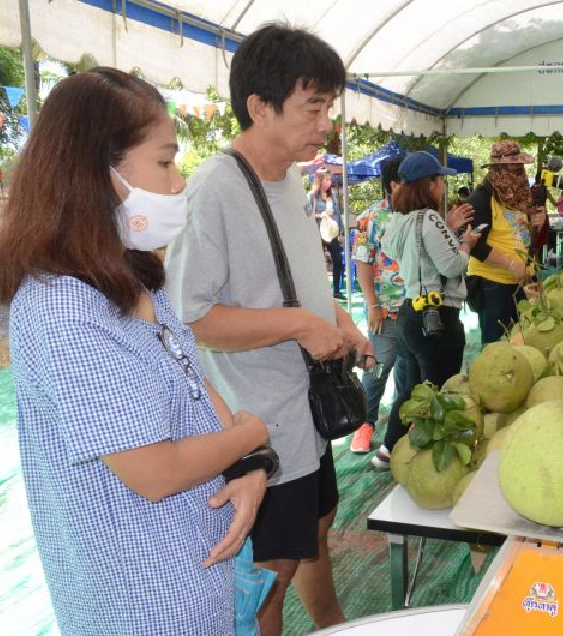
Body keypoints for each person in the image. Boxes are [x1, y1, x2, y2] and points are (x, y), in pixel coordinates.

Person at [0, 68, 270, 635]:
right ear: (99, 173)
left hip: (198, 577)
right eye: (165, 162)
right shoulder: (61, 309)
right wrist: (250, 436)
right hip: (139, 603)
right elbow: (154, 471)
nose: (178, 184)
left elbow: (193, 378)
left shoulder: (134, 279)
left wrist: (248, 467)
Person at [165, 25, 371, 635]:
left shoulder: (289, 182)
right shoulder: (215, 191)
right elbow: (191, 319)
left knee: (313, 535)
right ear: (260, 106)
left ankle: (331, 620)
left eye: (328, 108)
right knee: (267, 586)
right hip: (259, 430)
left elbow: (296, 282)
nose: (324, 125)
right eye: (313, 107)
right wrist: (301, 325)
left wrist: (338, 320)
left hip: (301, 416)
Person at [373, 152, 479, 469]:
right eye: (440, 179)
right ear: (429, 184)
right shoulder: (430, 219)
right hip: (436, 318)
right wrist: (467, 245)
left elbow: (404, 251)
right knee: (440, 390)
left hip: (409, 313)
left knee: (410, 389)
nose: (444, 185)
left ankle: (388, 450)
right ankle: (435, 463)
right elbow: (451, 265)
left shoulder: (399, 221)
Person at [350, 158, 406, 455]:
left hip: (418, 307)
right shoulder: (370, 218)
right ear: (395, 184)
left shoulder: (422, 214)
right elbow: (362, 264)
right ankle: (365, 423)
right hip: (384, 310)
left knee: (408, 370)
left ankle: (401, 424)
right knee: (376, 367)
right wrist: (372, 304)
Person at [466, 141, 536, 345]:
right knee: (498, 346)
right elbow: (475, 246)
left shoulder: (517, 198)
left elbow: (518, 235)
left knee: (522, 342)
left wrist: (536, 225)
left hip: (521, 282)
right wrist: (512, 264)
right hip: (493, 286)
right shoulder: (480, 200)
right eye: (514, 169)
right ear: (499, 169)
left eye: (520, 168)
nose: (519, 173)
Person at [312, 172, 345, 299]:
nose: (329, 182)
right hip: (318, 233)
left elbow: (338, 214)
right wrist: (322, 214)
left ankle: (336, 290)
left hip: (332, 233)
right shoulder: (312, 196)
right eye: (326, 179)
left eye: (330, 179)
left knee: (338, 261)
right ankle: (320, 291)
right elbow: (306, 213)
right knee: (319, 263)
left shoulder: (333, 195)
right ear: (320, 180)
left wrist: (341, 232)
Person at [530, 170, 557, 264]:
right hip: (542, 215)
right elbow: (555, 203)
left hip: (531, 215)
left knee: (532, 240)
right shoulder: (545, 190)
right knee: (539, 241)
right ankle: (537, 263)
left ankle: (533, 262)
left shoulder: (531, 189)